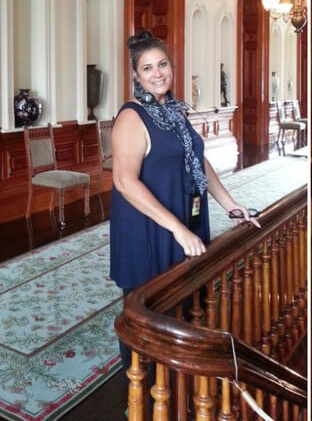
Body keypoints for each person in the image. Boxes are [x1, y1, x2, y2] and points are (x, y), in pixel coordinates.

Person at [110, 31, 260, 364]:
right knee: (145, 314)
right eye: (147, 68)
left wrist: (230, 204)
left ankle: (175, 377)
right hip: (148, 227)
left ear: (172, 67)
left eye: (162, 64)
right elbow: (124, 182)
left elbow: (197, 159)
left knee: (182, 305)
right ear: (135, 75)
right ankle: (140, 396)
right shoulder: (131, 117)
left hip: (184, 216)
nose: (157, 73)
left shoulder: (174, 111)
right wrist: (178, 229)